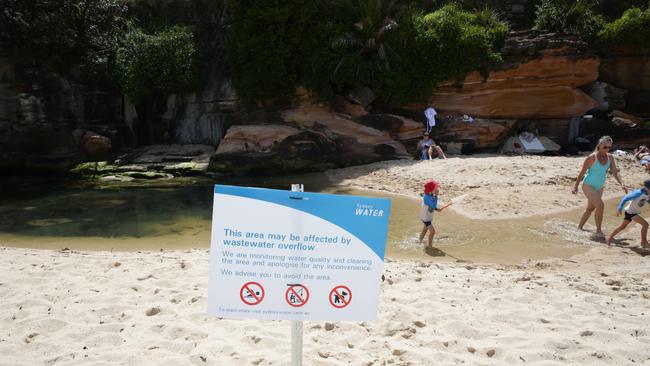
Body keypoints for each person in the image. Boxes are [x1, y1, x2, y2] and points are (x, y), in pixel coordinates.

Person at [572, 136, 627, 235]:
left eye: (609, 148)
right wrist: (575, 186)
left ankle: (579, 228)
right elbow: (582, 172)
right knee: (601, 206)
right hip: (588, 185)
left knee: (590, 208)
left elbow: (614, 172)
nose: (607, 149)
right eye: (605, 147)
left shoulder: (610, 157)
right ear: (599, 145)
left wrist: (622, 184)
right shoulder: (592, 157)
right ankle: (598, 231)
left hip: (599, 186)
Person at [606, 179, 650, 247]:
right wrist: (620, 207)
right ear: (647, 187)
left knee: (622, 227)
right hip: (631, 212)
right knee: (645, 225)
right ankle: (643, 242)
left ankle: (609, 236)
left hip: (633, 212)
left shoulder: (647, 193)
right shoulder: (638, 193)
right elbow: (625, 198)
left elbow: (648, 201)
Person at [419, 180, 441, 248]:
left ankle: (420, 240)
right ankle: (430, 246)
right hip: (426, 218)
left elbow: (432, 204)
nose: (437, 190)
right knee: (433, 232)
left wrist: (436, 208)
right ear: (430, 190)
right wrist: (436, 197)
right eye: (435, 189)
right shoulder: (426, 197)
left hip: (427, 216)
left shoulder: (430, 195)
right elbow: (433, 205)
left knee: (425, 229)